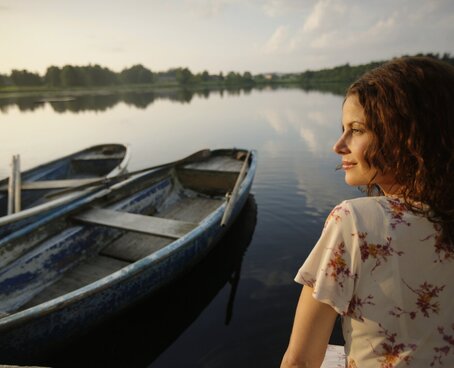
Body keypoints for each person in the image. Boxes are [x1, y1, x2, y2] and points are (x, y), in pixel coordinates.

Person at [280, 56, 454, 368]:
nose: (338, 145)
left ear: (409, 135)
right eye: (343, 129)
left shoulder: (354, 221)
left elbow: (300, 361)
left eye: (356, 130)